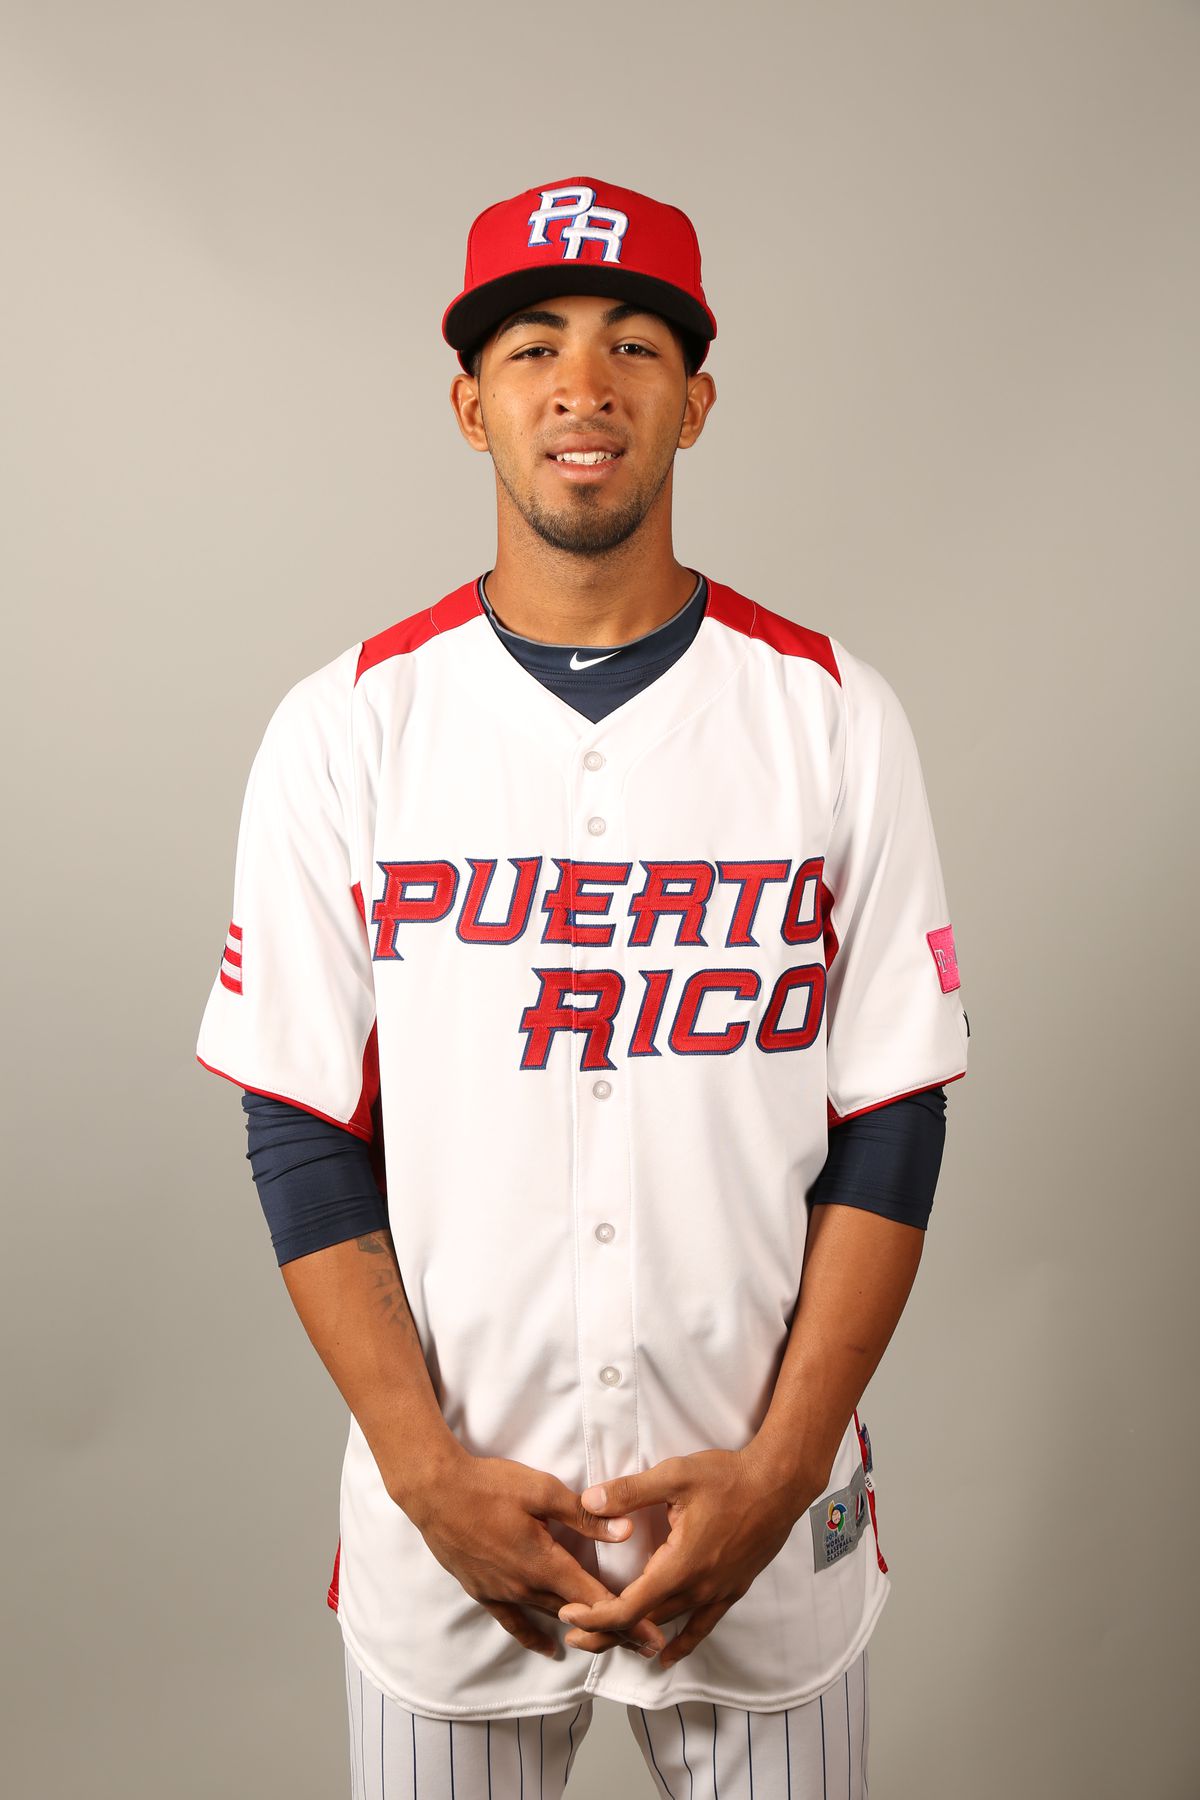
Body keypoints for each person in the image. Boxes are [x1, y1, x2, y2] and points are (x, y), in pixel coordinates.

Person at [196, 176, 969, 1799]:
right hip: (453, 1523)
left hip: (765, 1521)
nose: (583, 385)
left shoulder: (832, 714)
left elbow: (893, 1120)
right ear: (469, 403)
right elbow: (302, 1128)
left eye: (633, 344)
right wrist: (426, 1477)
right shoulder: (348, 729)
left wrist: (782, 1471)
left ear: (696, 400)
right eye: (534, 345)